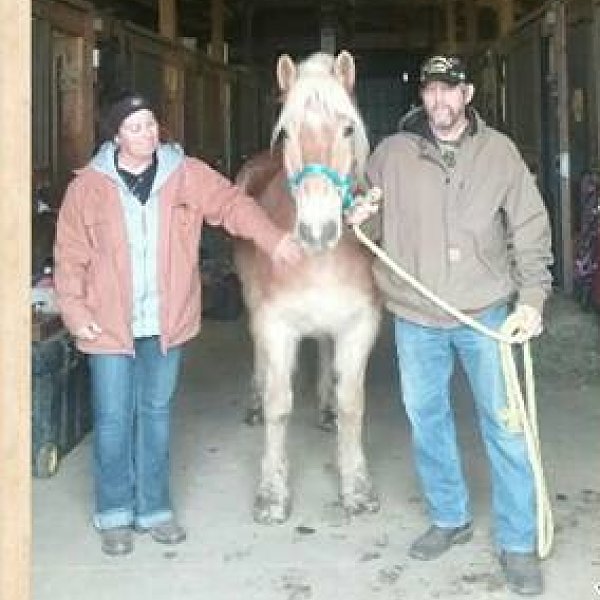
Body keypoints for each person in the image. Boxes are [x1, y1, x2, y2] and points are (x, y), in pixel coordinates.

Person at [54, 92, 303, 556]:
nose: (145, 134)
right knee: (111, 419)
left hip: (165, 322)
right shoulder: (87, 186)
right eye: (134, 128)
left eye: (150, 125)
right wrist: (75, 311)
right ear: (116, 136)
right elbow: (70, 256)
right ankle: (113, 513)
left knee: (155, 415)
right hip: (107, 324)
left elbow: (234, 205)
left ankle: (154, 509)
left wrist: (273, 239)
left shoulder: (184, 174)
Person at [362, 55, 553, 595]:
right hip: (416, 316)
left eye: (450, 90)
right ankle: (450, 517)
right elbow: (370, 220)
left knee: (507, 427)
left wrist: (532, 298)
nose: (440, 101)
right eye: (431, 91)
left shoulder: (499, 153)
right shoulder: (391, 154)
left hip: (485, 311)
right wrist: (357, 212)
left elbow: (530, 226)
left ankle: (518, 543)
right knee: (427, 420)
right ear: (421, 95)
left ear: (467, 94)